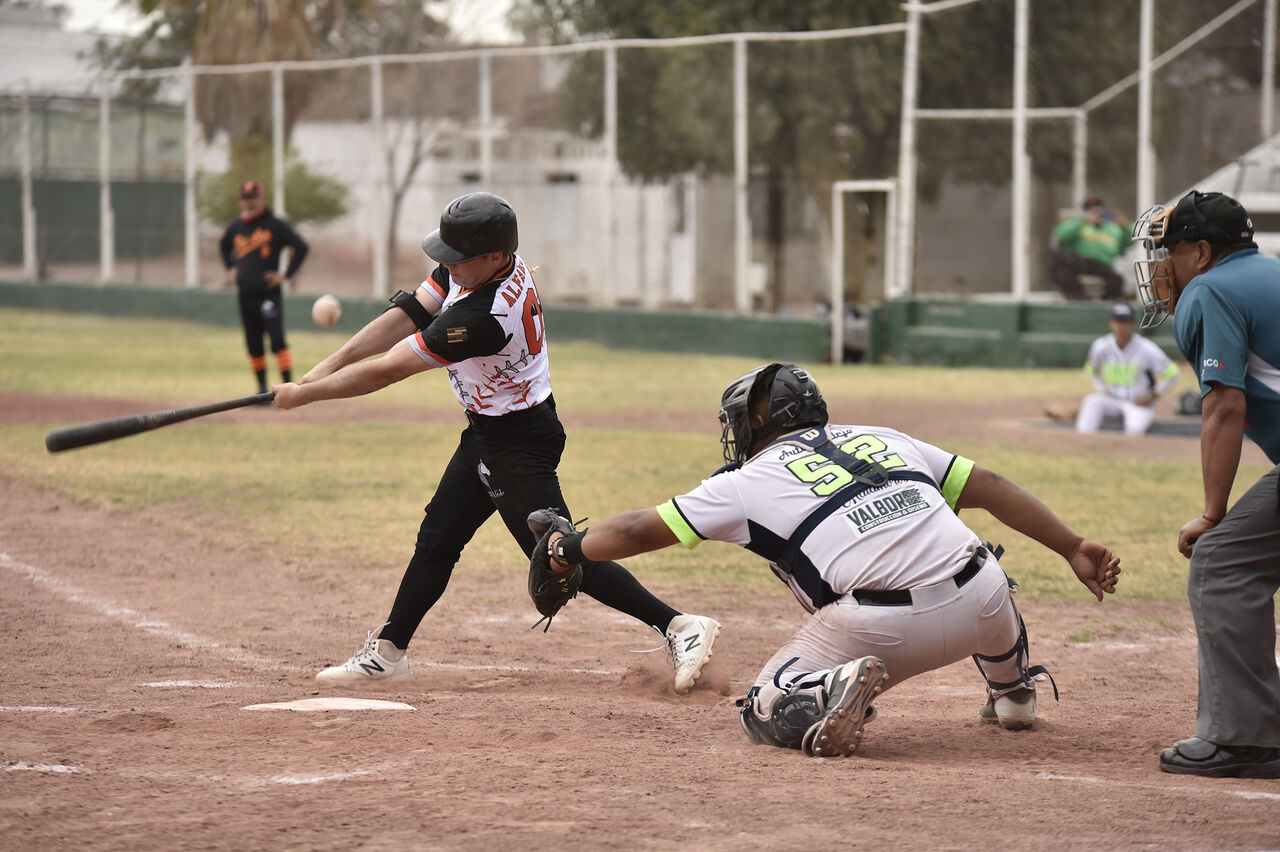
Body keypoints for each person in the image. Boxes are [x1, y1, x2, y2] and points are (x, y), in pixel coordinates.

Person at [538, 363, 1121, 757]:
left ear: (757, 423)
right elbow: (989, 485)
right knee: (984, 570)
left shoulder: (747, 480)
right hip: (983, 601)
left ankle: (830, 687)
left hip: (880, 630)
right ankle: (1014, 692)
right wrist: (1072, 547)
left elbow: (641, 528)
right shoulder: (885, 436)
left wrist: (568, 549)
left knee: (761, 707)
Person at [270, 191, 720, 693]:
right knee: (438, 538)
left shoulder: (483, 317)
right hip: (489, 432)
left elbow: (389, 368)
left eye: (456, 259)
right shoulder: (477, 265)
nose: (445, 266)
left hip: (518, 443)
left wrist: (306, 397)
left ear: (492, 256)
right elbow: (407, 315)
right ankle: (389, 652)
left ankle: (680, 625)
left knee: (559, 554)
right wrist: (319, 372)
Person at [1131, 190, 1280, 778]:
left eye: (1167, 252)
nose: (1161, 267)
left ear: (1200, 250)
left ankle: (1244, 738)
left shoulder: (1210, 290)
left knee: (1222, 562)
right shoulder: (1270, 275)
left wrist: (1213, 513)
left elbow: (1223, 407)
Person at [219, 179, 310, 394]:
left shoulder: (274, 224)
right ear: (240, 201)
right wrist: (230, 267)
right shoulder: (236, 227)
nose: (249, 203)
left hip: (269, 293)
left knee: (277, 340)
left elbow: (301, 247)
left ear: (262, 198)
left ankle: (289, 386)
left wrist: (285, 275)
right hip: (245, 294)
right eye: (245, 198)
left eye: (253, 198)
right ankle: (261, 391)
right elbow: (223, 246)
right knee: (253, 343)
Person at [1075, 301, 1180, 435]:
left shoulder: (1146, 348)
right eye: (1118, 321)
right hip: (1112, 399)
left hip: (1137, 402)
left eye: (1125, 321)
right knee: (1092, 402)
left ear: (1133, 324)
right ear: (1111, 323)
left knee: (1134, 430)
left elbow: (1174, 375)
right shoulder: (1100, 346)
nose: (1121, 326)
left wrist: (1151, 396)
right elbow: (1092, 371)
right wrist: (1102, 389)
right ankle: (1084, 443)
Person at [1050, 195, 1128, 301]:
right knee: (1061, 272)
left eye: (1098, 210)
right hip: (1081, 262)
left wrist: (1125, 226)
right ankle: (1081, 299)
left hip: (1102, 264)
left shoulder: (1113, 228)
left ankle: (1104, 304)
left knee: (1117, 280)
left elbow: (1133, 240)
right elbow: (1060, 234)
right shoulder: (1078, 224)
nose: (1095, 213)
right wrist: (1083, 221)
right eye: (1091, 210)